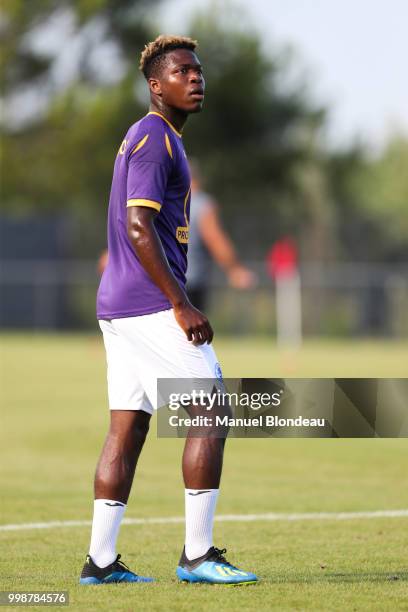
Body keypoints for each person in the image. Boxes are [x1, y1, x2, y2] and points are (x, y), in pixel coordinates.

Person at [80, 35, 258, 586]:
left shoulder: (155, 137)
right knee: (212, 405)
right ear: (156, 85)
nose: (196, 78)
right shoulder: (155, 137)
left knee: (127, 428)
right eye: (183, 71)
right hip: (148, 303)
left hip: (119, 304)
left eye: (199, 71)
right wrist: (181, 304)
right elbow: (137, 227)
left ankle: (101, 562)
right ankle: (198, 555)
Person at [187, 162, 256, 311]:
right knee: (189, 333)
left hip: (159, 282)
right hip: (189, 283)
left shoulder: (161, 202)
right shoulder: (202, 204)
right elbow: (214, 238)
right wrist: (234, 269)